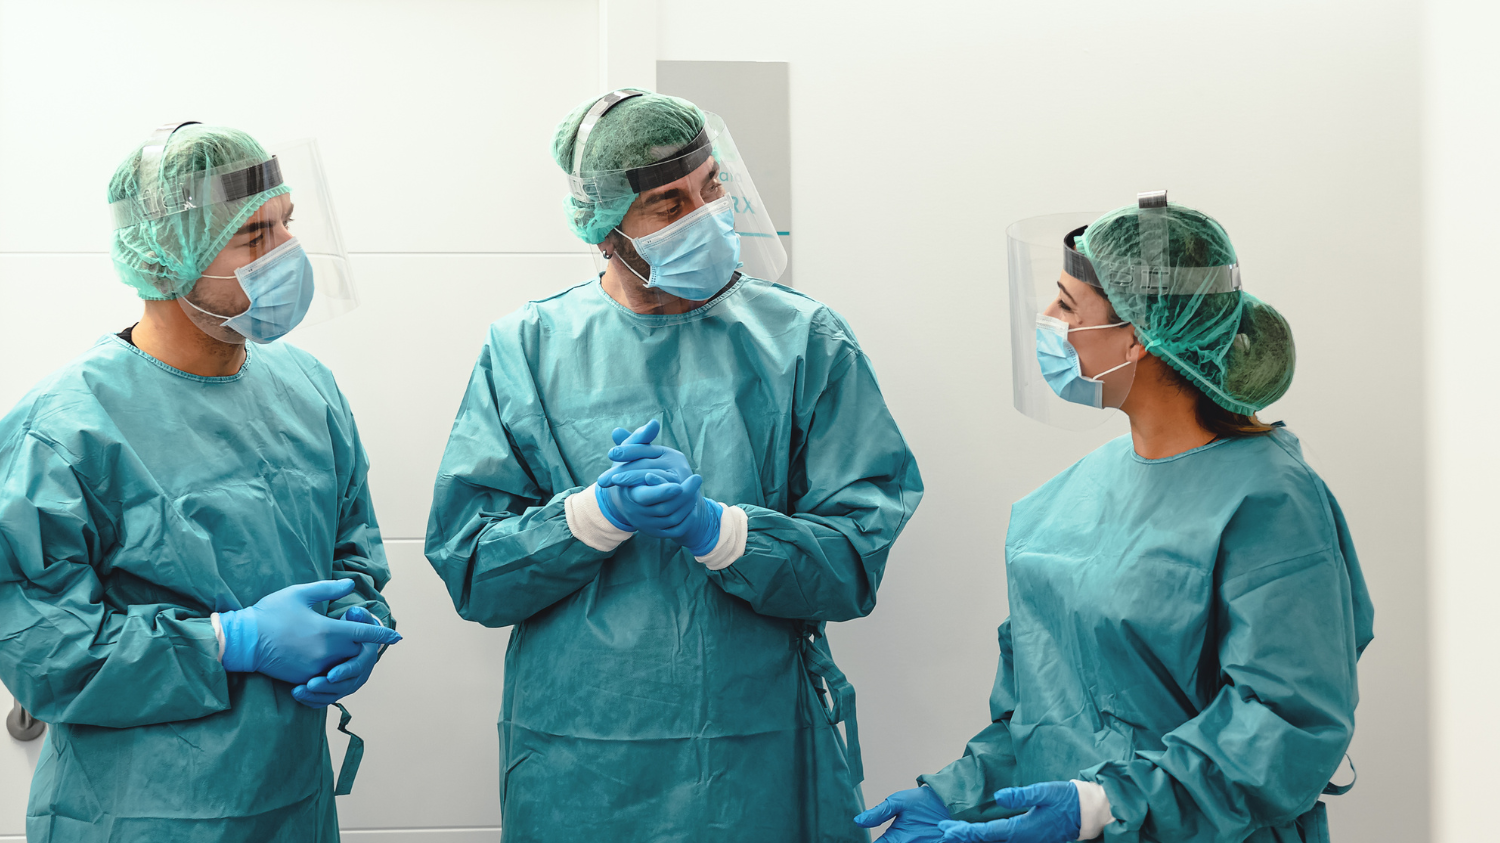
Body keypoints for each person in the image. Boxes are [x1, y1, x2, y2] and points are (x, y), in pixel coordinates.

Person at [425, 89, 923, 842]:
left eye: (711, 186)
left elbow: (855, 559)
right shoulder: (525, 350)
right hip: (580, 765)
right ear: (605, 229)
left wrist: (720, 531)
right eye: (668, 204)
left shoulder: (801, 340)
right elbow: (474, 570)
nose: (706, 215)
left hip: (753, 757)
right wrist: (593, 517)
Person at [856, 194, 1372, 843]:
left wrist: (1106, 804)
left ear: (1137, 336)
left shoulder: (1269, 500)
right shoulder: (1065, 499)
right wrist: (961, 793)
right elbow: (1036, 712)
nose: (1047, 320)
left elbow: (1287, 721)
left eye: (1068, 306)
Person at [0, 122, 402, 842]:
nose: (286, 254)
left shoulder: (308, 389)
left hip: (293, 803)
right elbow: (44, 652)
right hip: (139, 813)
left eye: (287, 224)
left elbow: (351, 551)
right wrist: (228, 641)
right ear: (166, 261)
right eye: (254, 236)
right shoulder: (66, 427)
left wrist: (355, 625)